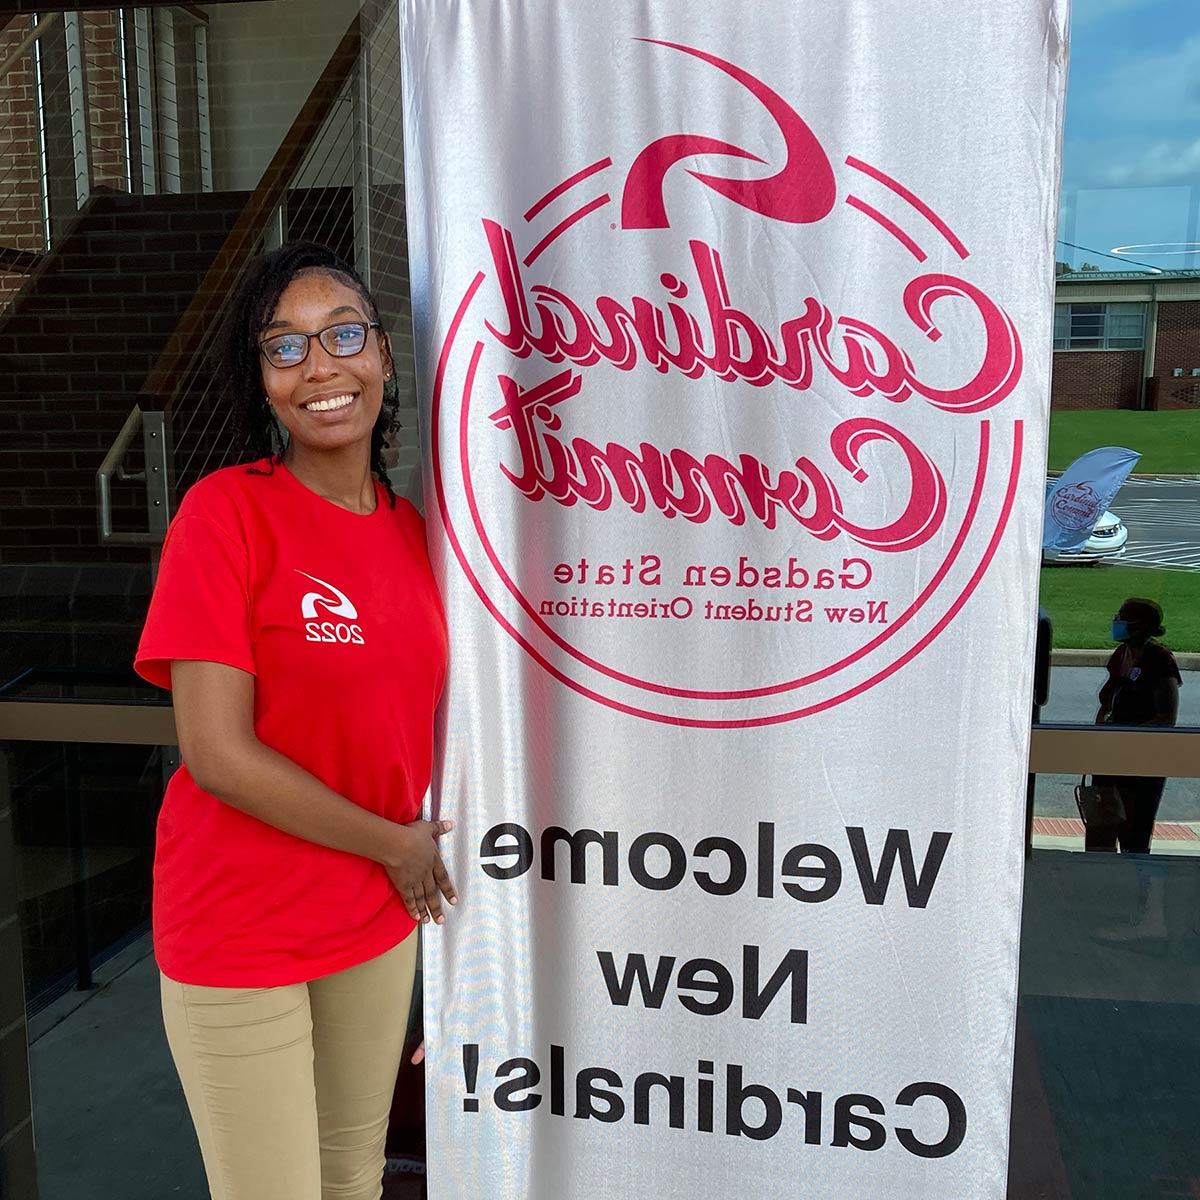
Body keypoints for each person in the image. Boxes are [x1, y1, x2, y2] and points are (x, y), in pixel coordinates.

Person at [134, 241, 455, 1200]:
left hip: (372, 918)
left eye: (343, 334)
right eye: (286, 348)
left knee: (352, 1178)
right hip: (241, 925)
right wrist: (394, 845)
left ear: (384, 358)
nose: (321, 366)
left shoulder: (418, 535)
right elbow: (218, 755)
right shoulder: (224, 515)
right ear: (263, 382)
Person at [1089, 597, 1181, 853]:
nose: (1116, 622)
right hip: (1109, 758)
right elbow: (1108, 701)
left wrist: (1128, 737)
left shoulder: (1160, 660)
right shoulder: (1121, 655)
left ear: (1139, 626)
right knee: (1101, 834)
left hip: (1141, 762)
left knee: (1134, 837)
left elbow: (1167, 717)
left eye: (1122, 618)